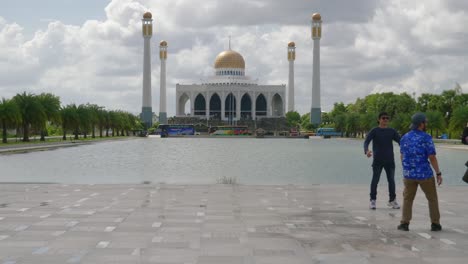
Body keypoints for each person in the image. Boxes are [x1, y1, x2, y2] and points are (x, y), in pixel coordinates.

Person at [398, 113, 443, 232]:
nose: (426, 124)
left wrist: (406, 169)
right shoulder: (426, 138)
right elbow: (432, 157)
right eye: (425, 122)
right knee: (432, 198)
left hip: (409, 175)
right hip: (425, 175)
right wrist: (438, 172)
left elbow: (402, 155)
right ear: (421, 124)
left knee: (408, 199)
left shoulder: (404, 137)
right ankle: (435, 224)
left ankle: (404, 223)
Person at [364, 112, 401, 210]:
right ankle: (373, 200)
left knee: (391, 181)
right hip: (378, 161)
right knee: (375, 180)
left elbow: (401, 141)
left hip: (390, 160)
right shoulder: (374, 131)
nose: (385, 120)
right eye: (383, 118)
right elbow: (367, 141)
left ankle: (392, 200)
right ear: (379, 119)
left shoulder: (392, 131)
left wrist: (407, 151)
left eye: (387, 118)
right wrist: (366, 151)